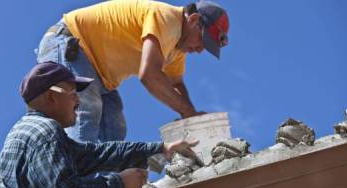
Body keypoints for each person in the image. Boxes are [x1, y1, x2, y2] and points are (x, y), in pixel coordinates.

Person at [0, 62, 200, 188]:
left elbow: (98, 154)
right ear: (50, 98)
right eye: (73, 93)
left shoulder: (30, 133)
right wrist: (119, 185)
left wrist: (160, 148)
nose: (79, 101)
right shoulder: (44, 133)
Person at [36, 0, 229, 143]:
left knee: (114, 129)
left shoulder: (177, 48)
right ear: (194, 19)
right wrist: (187, 112)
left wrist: (191, 115)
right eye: (202, 40)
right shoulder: (167, 19)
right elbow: (150, 75)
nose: (200, 49)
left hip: (99, 74)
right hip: (71, 44)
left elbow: (175, 83)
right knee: (85, 113)